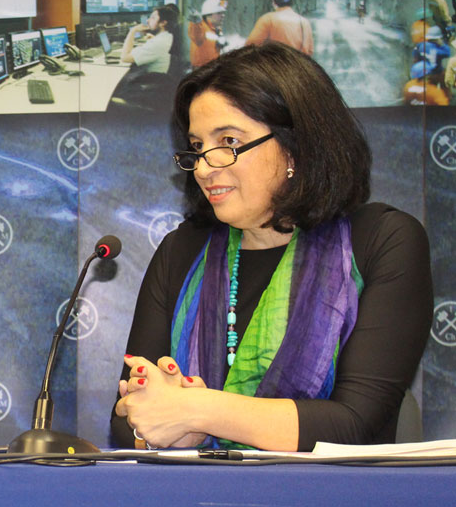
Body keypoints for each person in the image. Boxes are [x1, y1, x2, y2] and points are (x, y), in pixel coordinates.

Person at [111, 43, 432, 452]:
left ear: (295, 146)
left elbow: (354, 424)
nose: (205, 167)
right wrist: (161, 424)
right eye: (197, 147)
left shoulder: (382, 241)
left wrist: (196, 410)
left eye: (228, 141)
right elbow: (123, 421)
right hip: (198, 486)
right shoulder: (182, 251)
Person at [246, 0, 313, 56]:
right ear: (291, 0)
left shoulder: (267, 19)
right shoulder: (305, 22)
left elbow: (250, 46)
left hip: (274, 62)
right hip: (298, 62)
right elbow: (309, 51)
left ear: (274, 1)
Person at [121, 4, 180, 74]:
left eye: (153, 18)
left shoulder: (158, 43)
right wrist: (153, 39)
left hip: (150, 78)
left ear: (163, 23)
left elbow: (125, 58)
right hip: (156, 76)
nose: (147, 20)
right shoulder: (167, 36)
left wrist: (132, 31)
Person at [188, 0, 227, 68]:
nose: (223, 15)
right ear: (208, 14)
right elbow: (196, 36)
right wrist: (195, 23)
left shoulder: (216, 29)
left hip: (213, 68)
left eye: (223, 13)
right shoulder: (201, 27)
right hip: (201, 70)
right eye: (219, 13)